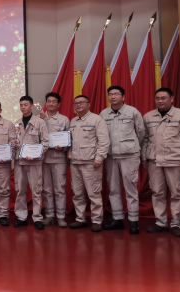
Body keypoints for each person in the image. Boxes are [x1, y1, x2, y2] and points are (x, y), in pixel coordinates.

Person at [142, 88, 180, 238]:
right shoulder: (148, 116)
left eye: (163, 98)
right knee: (157, 192)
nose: (160, 101)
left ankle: (176, 224)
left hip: (174, 160)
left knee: (177, 193)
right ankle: (161, 222)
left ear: (172, 99)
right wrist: (144, 157)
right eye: (157, 98)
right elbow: (144, 139)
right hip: (154, 160)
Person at [100, 86, 145, 235]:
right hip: (111, 156)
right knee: (113, 189)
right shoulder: (103, 114)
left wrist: (131, 146)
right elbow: (101, 135)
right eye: (110, 94)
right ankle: (117, 219)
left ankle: (133, 220)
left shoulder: (132, 112)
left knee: (131, 189)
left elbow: (141, 133)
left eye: (116, 94)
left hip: (129, 155)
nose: (113, 96)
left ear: (123, 97)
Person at [69, 95, 110, 233]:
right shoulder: (73, 121)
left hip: (91, 163)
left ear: (88, 104)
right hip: (75, 162)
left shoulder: (97, 119)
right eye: (76, 103)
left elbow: (104, 141)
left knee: (94, 193)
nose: (78, 105)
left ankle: (96, 221)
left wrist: (99, 157)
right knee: (77, 193)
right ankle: (80, 219)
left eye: (81, 102)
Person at [14, 96, 49, 230]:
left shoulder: (39, 122)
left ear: (31, 106)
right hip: (20, 162)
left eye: (26, 104)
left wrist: (35, 155)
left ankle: (37, 217)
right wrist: (13, 143)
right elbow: (15, 140)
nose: (23, 107)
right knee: (20, 190)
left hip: (34, 162)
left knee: (36, 190)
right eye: (21, 105)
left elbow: (45, 142)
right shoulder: (17, 123)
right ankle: (21, 217)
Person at [39, 93, 70, 228]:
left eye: (54, 101)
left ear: (58, 104)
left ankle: (61, 217)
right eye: (48, 101)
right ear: (46, 103)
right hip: (43, 159)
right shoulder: (38, 119)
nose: (51, 103)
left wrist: (63, 147)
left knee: (59, 189)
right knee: (46, 189)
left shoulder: (64, 119)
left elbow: (69, 139)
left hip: (58, 159)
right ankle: (49, 216)